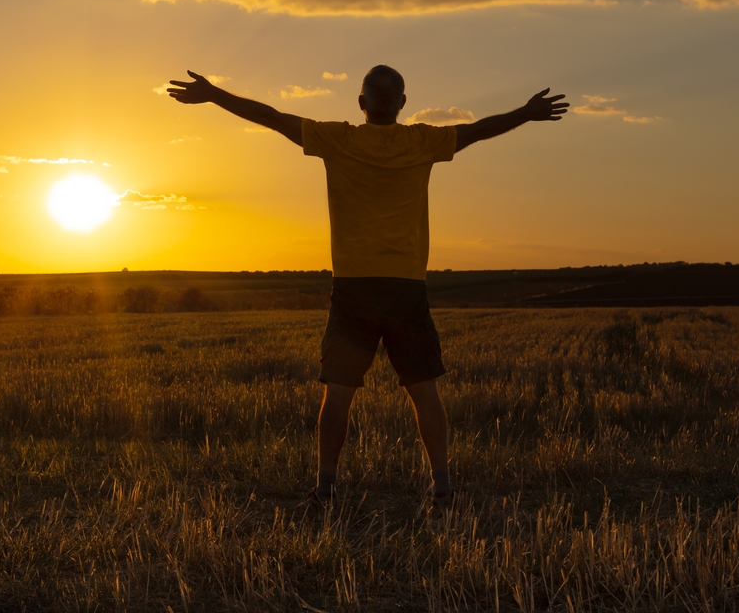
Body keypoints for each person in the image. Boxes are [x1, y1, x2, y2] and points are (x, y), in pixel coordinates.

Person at [166, 65, 567, 506]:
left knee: (337, 392)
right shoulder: (422, 141)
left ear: (361, 104)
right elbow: (479, 129)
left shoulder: (338, 138)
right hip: (406, 288)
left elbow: (272, 117)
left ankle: (325, 488)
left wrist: (214, 93)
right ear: (401, 104)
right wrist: (526, 113)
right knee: (424, 390)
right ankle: (443, 487)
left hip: (354, 288)